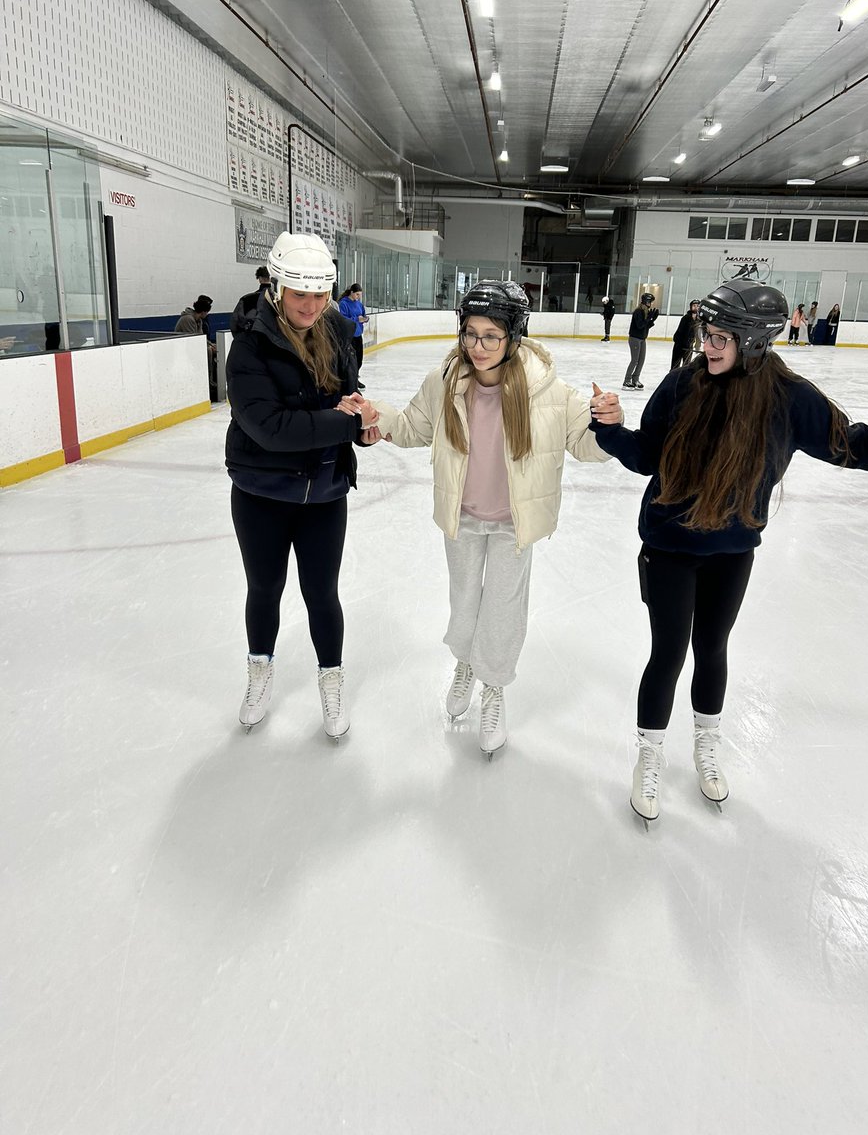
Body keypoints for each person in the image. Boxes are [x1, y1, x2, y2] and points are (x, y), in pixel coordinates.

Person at [589, 279, 868, 824]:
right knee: (668, 653)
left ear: (754, 342)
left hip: (733, 552)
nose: (707, 346)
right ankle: (650, 755)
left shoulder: (789, 399)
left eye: (719, 338)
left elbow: (856, 445)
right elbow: (644, 457)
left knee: (712, 648)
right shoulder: (682, 386)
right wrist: (609, 429)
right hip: (668, 546)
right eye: (708, 335)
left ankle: (706, 745)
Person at [362, 280, 612, 757]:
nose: (477, 347)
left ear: (514, 337)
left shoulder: (548, 390)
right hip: (463, 515)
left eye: (491, 336)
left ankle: (493, 684)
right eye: (470, 334)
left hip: (513, 524)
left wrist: (606, 423)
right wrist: (379, 415)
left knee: (501, 607)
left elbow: (586, 444)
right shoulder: (446, 382)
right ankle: (466, 664)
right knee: (464, 601)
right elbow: (414, 427)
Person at [225, 232, 381, 740]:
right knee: (265, 588)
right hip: (261, 494)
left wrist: (363, 420)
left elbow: (348, 390)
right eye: (300, 295)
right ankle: (259, 674)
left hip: (325, 493)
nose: (312, 306)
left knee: (321, 593)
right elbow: (269, 428)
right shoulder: (248, 343)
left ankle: (331, 680)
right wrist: (343, 423)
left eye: (320, 294)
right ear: (277, 287)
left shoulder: (334, 325)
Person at [176, 294, 216, 396]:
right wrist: (209, 347)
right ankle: (208, 381)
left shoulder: (199, 320)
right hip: (184, 348)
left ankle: (211, 379)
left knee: (212, 349)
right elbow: (193, 340)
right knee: (208, 351)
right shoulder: (188, 319)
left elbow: (201, 337)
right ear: (203, 312)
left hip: (193, 346)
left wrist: (212, 344)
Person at [623, 293, 658, 389]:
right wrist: (648, 319)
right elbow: (639, 326)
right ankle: (626, 381)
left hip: (642, 339)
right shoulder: (638, 311)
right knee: (634, 360)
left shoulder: (646, 312)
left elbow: (645, 327)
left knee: (641, 360)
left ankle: (635, 379)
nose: (650, 304)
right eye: (649, 302)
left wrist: (652, 320)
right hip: (635, 339)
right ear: (645, 301)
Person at [338, 283, 369, 387]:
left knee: (359, 359)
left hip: (358, 335)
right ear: (351, 293)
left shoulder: (359, 304)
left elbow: (363, 314)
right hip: (349, 336)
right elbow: (343, 320)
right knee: (351, 360)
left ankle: (355, 378)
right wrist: (356, 319)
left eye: (360, 295)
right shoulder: (343, 304)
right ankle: (351, 381)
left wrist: (365, 318)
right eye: (357, 294)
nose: (358, 297)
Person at [230, 266, 271, 336]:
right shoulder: (282, 299)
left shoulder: (246, 299)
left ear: (260, 279)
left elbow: (234, 324)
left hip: (253, 341)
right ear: (272, 278)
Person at [670, 299, 700, 369]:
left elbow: (698, 332)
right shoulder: (685, 318)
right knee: (675, 365)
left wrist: (697, 343)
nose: (695, 307)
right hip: (680, 345)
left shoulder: (699, 320)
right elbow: (680, 332)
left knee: (686, 366)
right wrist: (679, 343)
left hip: (689, 346)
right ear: (690, 307)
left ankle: (683, 379)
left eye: (697, 306)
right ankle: (673, 378)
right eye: (694, 306)